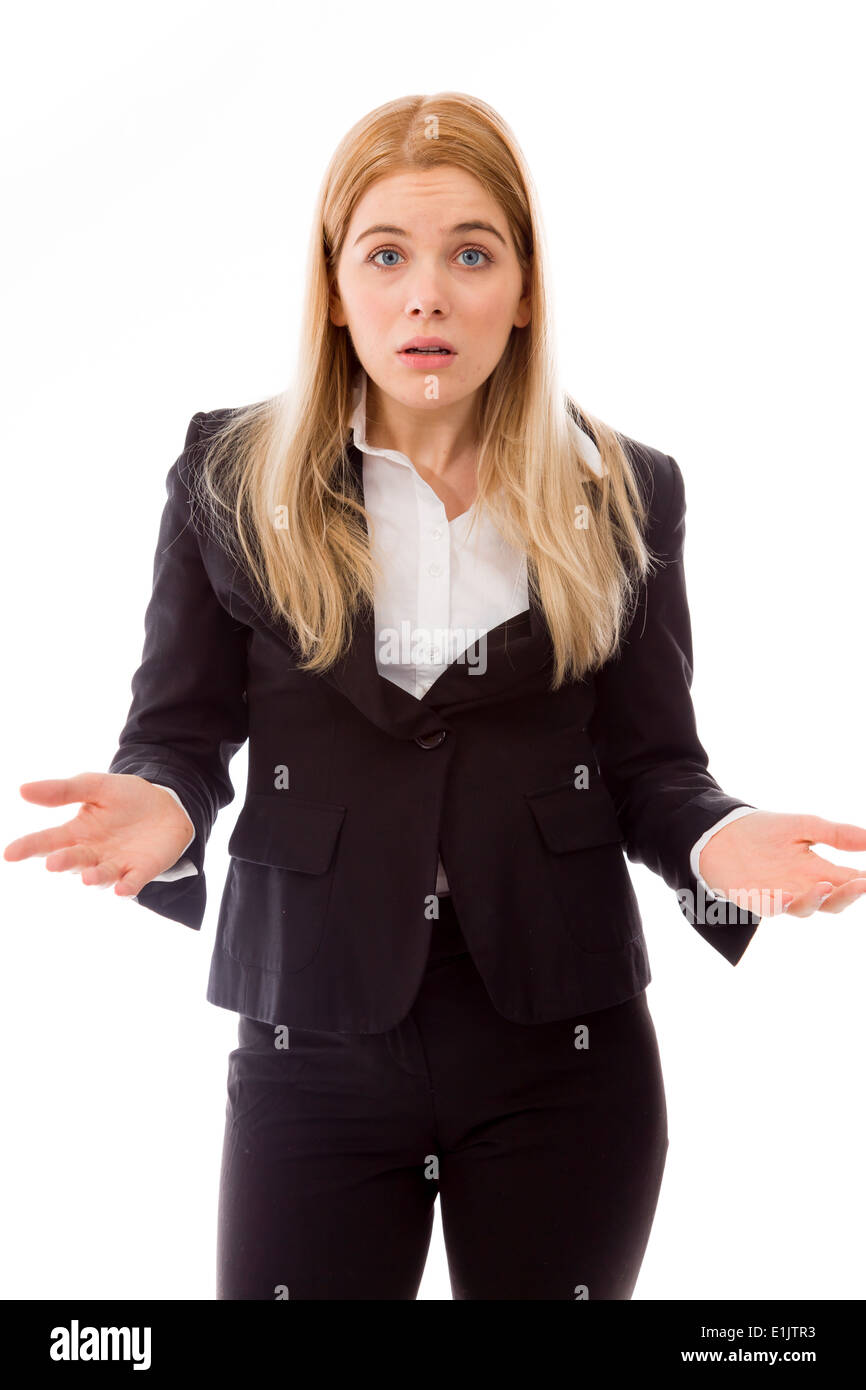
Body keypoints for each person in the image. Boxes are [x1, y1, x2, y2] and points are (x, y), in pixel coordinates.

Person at [6, 92, 866, 1301]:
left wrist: (719, 845)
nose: (427, 295)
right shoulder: (227, 474)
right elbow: (178, 733)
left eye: (472, 253)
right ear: (334, 284)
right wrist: (166, 803)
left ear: (521, 288)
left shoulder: (622, 493)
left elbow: (650, 768)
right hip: (312, 1034)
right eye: (386, 255)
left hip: (563, 1049)